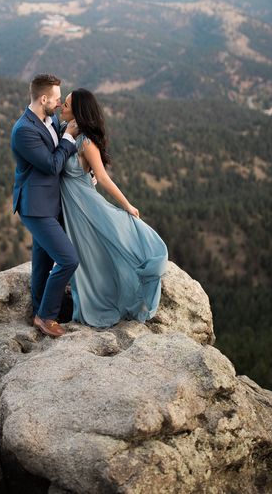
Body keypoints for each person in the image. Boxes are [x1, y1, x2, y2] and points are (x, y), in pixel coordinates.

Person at [59, 88, 168, 327]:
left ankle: (112, 297)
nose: (61, 107)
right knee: (86, 257)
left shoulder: (86, 142)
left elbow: (103, 177)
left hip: (87, 207)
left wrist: (127, 205)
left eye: (66, 105)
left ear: (77, 111)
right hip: (73, 209)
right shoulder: (66, 133)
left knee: (99, 251)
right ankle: (85, 299)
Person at [11, 74, 80, 337]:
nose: (60, 104)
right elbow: (51, 165)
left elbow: (58, 144)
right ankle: (46, 316)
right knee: (68, 259)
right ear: (43, 99)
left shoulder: (49, 119)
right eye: (57, 99)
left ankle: (39, 311)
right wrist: (69, 139)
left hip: (50, 204)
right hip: (35, 207)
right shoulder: (24, 130)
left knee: (42, 262)